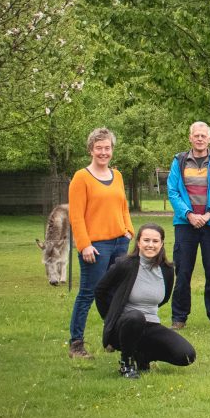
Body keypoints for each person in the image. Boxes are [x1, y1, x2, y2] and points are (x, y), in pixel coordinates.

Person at [95, 224, 196, 379]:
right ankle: (126, 363)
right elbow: (101, 291)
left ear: (162, 243)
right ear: (138, 243)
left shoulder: (167, 270)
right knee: (136, 317)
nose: (150, 245)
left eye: (155, 241)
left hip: (151, 324)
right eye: (146, 240)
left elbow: (164, 298)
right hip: (123, 326)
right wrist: (109, 318)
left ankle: (142, 355)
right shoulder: (124, 265)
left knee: (187, 355)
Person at [67, 127, 134, 359]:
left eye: (107, 148)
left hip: (119, 243)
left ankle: (113, 338)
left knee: (116, 294)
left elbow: (123, 206)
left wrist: (129, 230)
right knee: (88, 293)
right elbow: (76, 215)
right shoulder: (81, 178)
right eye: (99, 148)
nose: (103, 152)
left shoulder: (117, 176)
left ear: (112, 150)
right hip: (95, 246)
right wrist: (84, 244)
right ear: (91, 150)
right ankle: (76, 344)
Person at [167, 121, 210, 329]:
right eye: (196, 135)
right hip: (185, 224)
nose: (199, 139)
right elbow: (173, 192)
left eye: (203, 136)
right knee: (183, 271)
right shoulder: (179, 161)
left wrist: (208, 214)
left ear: (209, 139)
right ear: (190, 137)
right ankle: (179, 318)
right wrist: (188, 214)